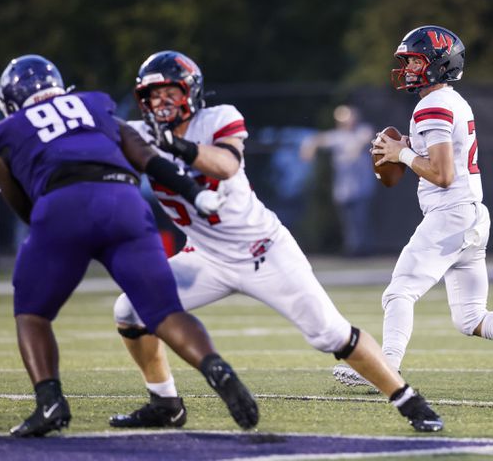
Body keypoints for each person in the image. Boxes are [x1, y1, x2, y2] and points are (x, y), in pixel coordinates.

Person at [109, 50, 443, 432]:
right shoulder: (137, 135)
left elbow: (226, 164)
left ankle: (409, 401)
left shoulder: (219, 118)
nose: (160, 103)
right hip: (204, 257)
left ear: (192, 93)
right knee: (129, 310)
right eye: (153, 96)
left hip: (262, 251)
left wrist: (172, 144)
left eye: (170, 93)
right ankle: (165, 403)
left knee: (331, 334)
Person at [0, 54, 259, 437]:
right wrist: (194, 193)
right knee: (162, 311)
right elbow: (145, 158)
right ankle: (216, 368)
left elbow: (26, 208)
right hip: (123, 201)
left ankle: (50, 404)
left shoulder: (7, 132)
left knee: (32, 312)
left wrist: (51, 227)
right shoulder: (94, 104)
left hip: (62, 205)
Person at [335, 25, 493, 392]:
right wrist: (407, 148)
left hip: (450, 213)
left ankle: (386, 369)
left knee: (399, 292)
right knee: (470, 317)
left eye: (415, 60)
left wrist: (401, 153)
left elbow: (443, 174)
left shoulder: (432, 105)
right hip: (470, 215)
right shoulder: (451, 101)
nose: (409, 68)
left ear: (439, 63)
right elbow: (440, 162)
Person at [300, 105, 378, 256]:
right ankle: (353, 248)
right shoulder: (337, 136)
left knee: (361, 219)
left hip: (362, 187)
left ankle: (364, 248)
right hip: (343, 189)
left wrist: (354, 150)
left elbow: (364, 139)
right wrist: (308, 149)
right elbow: (316, 140)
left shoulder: (362, 130)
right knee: (348, 222)